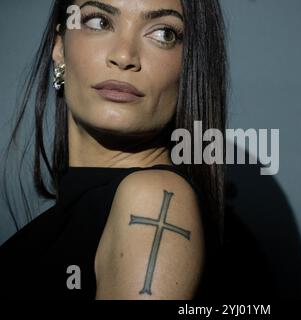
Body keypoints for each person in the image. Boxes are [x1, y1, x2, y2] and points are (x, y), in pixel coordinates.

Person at [0, 0, 227, 300]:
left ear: (190, 65)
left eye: (164, 34)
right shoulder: (63, 219)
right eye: (99, 23)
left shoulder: (154, 198)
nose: (124, 56)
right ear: (59, 48)